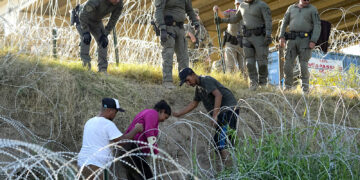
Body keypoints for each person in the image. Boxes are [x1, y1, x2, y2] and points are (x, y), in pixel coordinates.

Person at [173, 68, 238, 165]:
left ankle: (232, 168)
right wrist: (178, 113)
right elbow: (194, 104)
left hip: (229, 109)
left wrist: (215, 115)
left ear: (193, 74)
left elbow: (218, 95)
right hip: (222, 112)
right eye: (185, 82)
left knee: (222, 141)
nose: (188, 83)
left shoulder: (206, 80)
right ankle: (229, 167)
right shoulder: (199, 88)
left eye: (187, 80)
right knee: (218, 142)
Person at [77, 98, 143, 180]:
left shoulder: (89, 122)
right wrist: (136, 129)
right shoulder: (107, 124)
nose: (115, 115)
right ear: (109, 110)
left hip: (82, 162)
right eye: (116, 112)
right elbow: (121, 141)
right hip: (95, 164)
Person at [213, 0, 272, 91]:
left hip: (259, 37)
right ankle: (253, 84)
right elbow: (235, 19)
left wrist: (268, 34)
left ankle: (263, 84)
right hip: (247, 37)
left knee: (262, 62)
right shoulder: (242, 6)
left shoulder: (262, 5)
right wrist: (222, 20)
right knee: (249, 63)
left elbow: (268, 20)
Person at [118, 100, 171, 180]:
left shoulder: (148, 113)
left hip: (131, 149)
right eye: (165, 117)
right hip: (133, 148)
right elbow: (149, 133)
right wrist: (156, 152)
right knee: (147, 176)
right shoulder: (152, 114)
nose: (164, 120)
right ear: (162, 111)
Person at [154, 0, 200, 89]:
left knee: (184, 56)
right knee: (168, 54)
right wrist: (162, 28)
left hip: (180, 28)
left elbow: (189, 10)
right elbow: (158, 11)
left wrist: (195, 22)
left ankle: (186, 82)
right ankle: (167, 81)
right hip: (168, 27)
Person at [279, 0, 321, 93]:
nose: (307, 1)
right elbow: (284, 23)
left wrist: (313, 40)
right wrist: (281, 36)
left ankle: (305, 90)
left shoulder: (312, 9)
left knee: (303, 66)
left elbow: (317, 26)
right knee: (287, 65)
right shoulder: (291, 8)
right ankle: (287, 88)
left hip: (305, 41)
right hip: (292, 40)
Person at [74, 0, 123, 72]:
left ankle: (102, 70)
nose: (117, 1)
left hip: (96, 21)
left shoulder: (119, 4)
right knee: (86, 40)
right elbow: (83, 15)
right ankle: (85, 68)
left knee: (103, 42)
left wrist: (105, 34)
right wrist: (85, 32)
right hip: (82, 18)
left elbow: (113, 20)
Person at [214, 0, 246, 76]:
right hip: (231, 43)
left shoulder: (247, 13)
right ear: (235, 4)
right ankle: (231, 84)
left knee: (244, 68)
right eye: (237, 4)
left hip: (243, 44)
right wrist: (217, 10)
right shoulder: (231, 12)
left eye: (240, 4)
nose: (238, 6)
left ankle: (245, 86)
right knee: (230, 67)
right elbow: (222, 15)